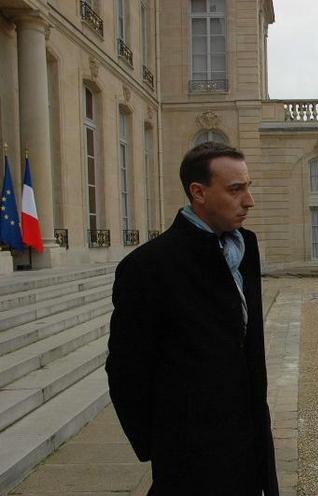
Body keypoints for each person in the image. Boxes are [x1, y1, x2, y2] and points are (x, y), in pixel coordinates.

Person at [106, 142, 278, 496]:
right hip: (188, 460)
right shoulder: (147, 268)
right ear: (198, 192)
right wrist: (163, 446)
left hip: (249, 446)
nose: (249, 201)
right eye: (236, 189)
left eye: (248, 187)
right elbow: (126, 372)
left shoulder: (245, 247)